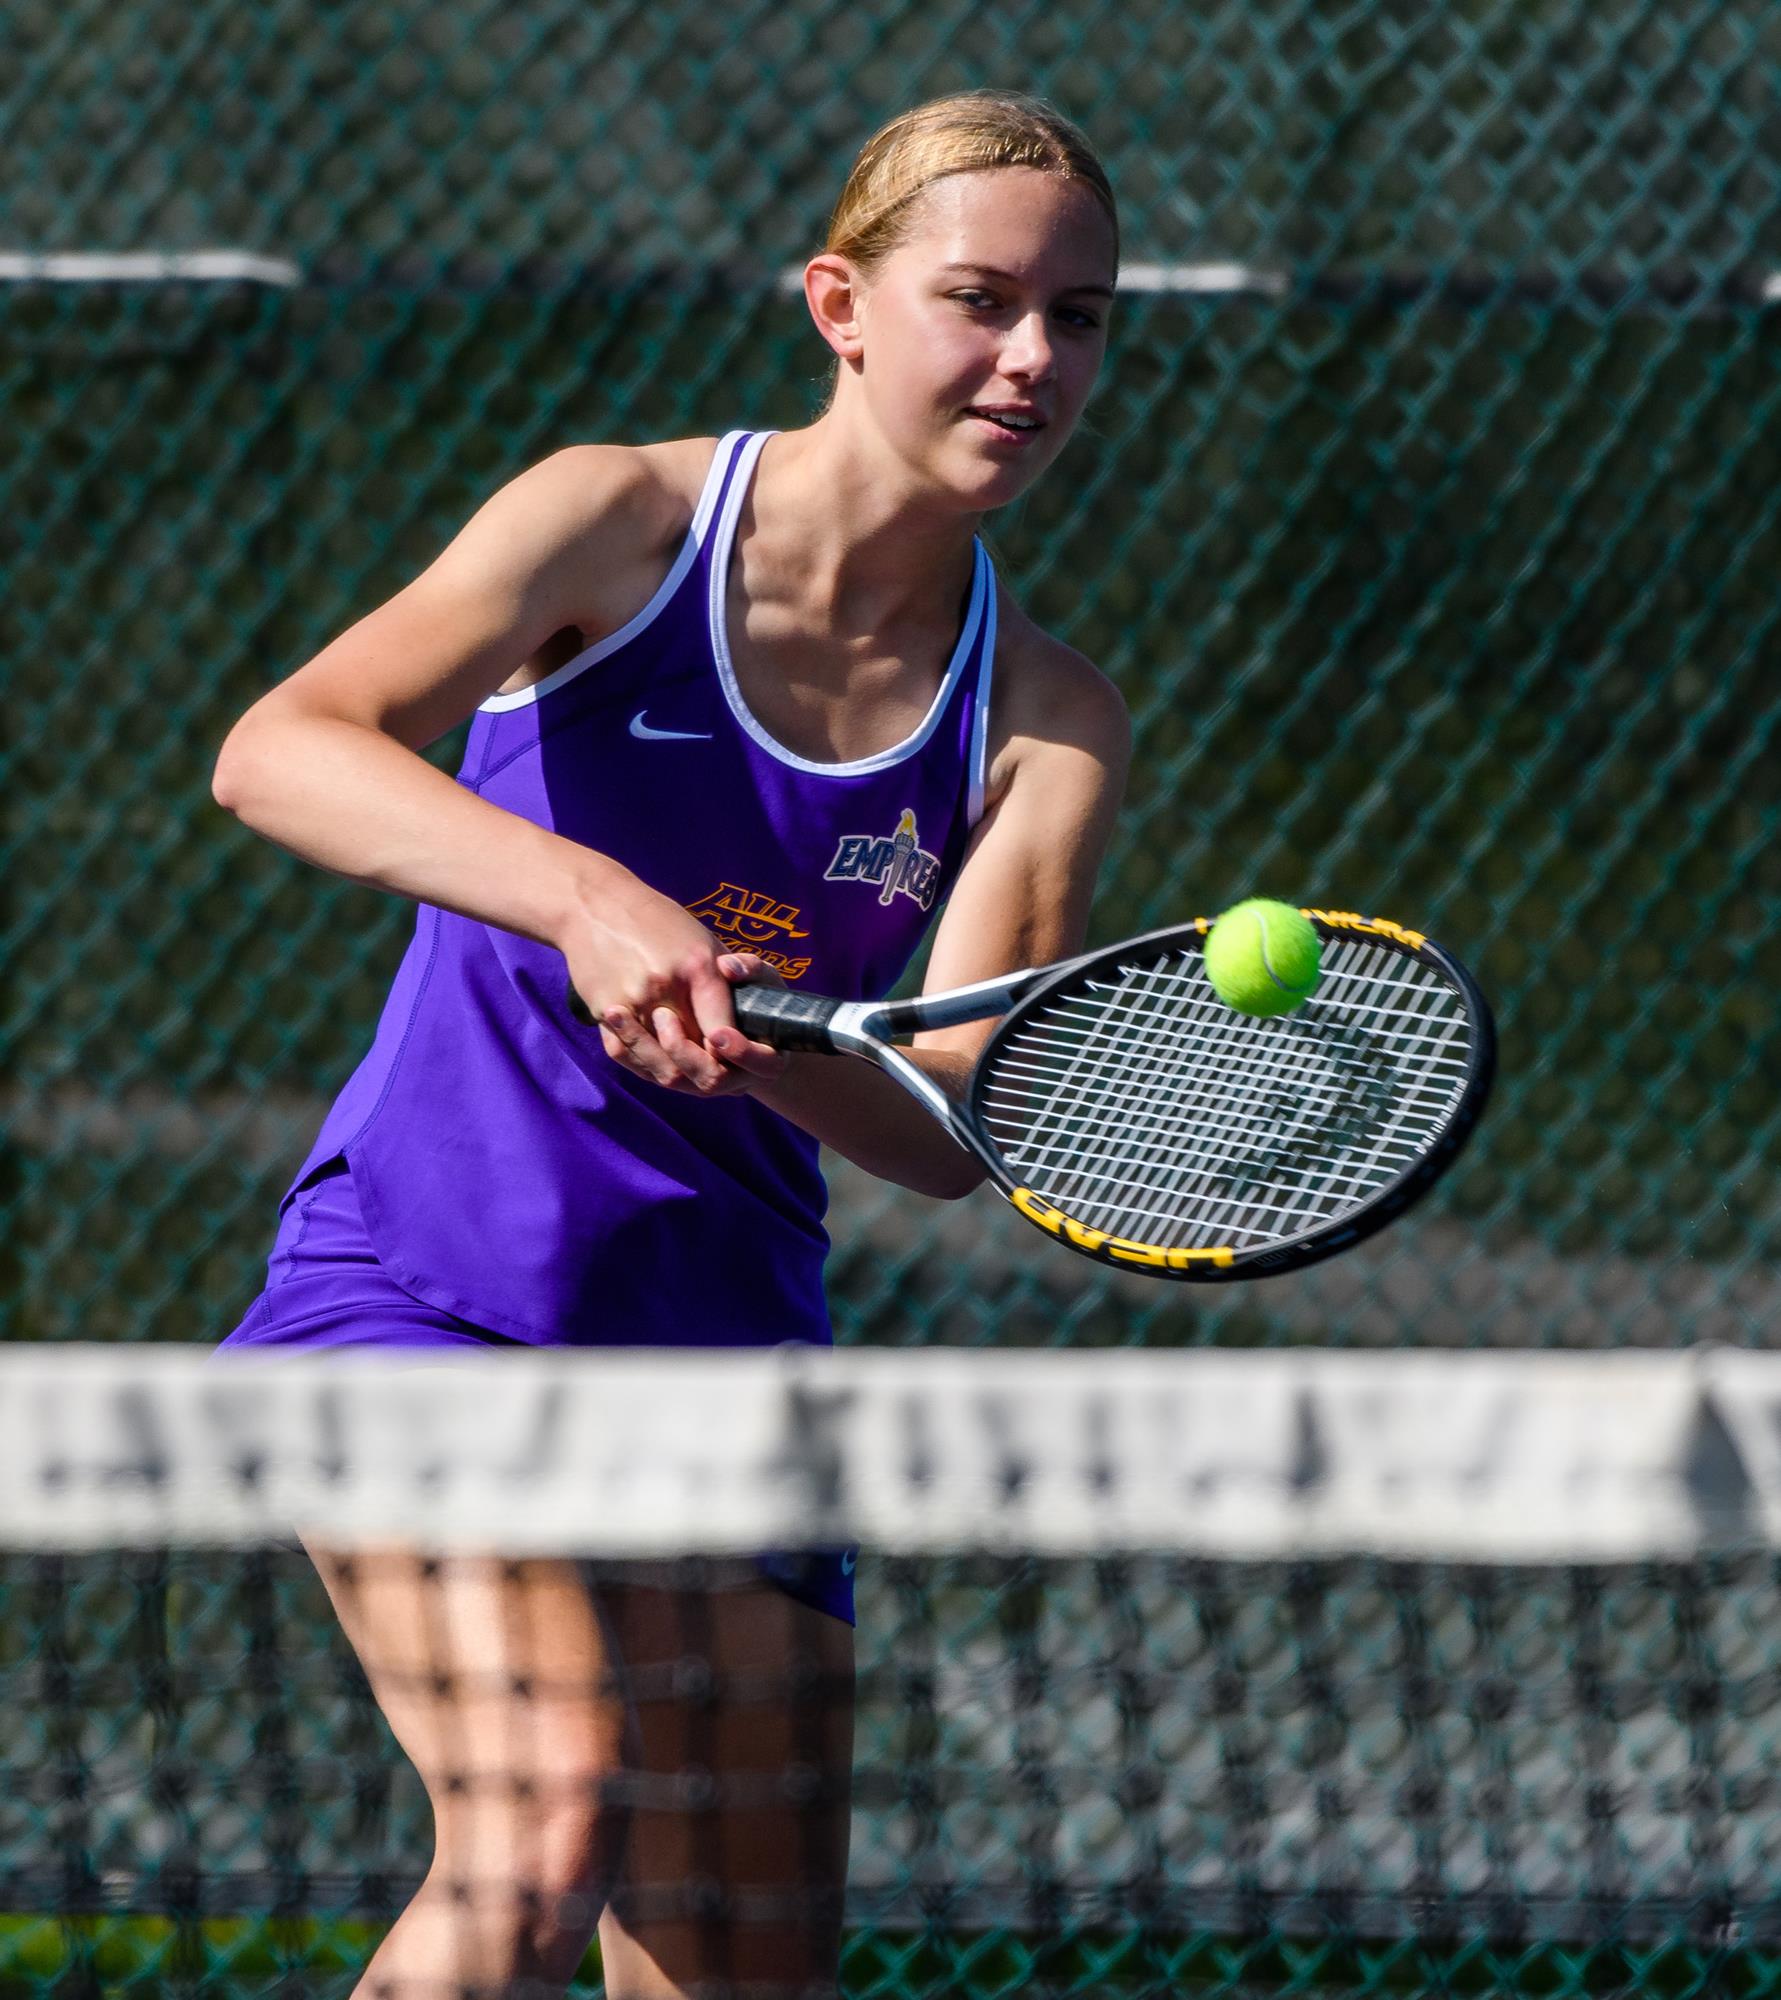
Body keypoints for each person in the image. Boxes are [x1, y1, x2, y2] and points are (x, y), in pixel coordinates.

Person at [211, 87, 1129, 2000]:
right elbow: (281, 748)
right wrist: (584, 899)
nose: (1033, 358)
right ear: (840, 305)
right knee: (539, 1821)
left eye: (1081, 316)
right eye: (980, 299)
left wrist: (755, 1031)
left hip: (724, 1380)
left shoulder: (1041, 720)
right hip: (416, 1296)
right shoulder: (613, 523)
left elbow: (948, 1128)